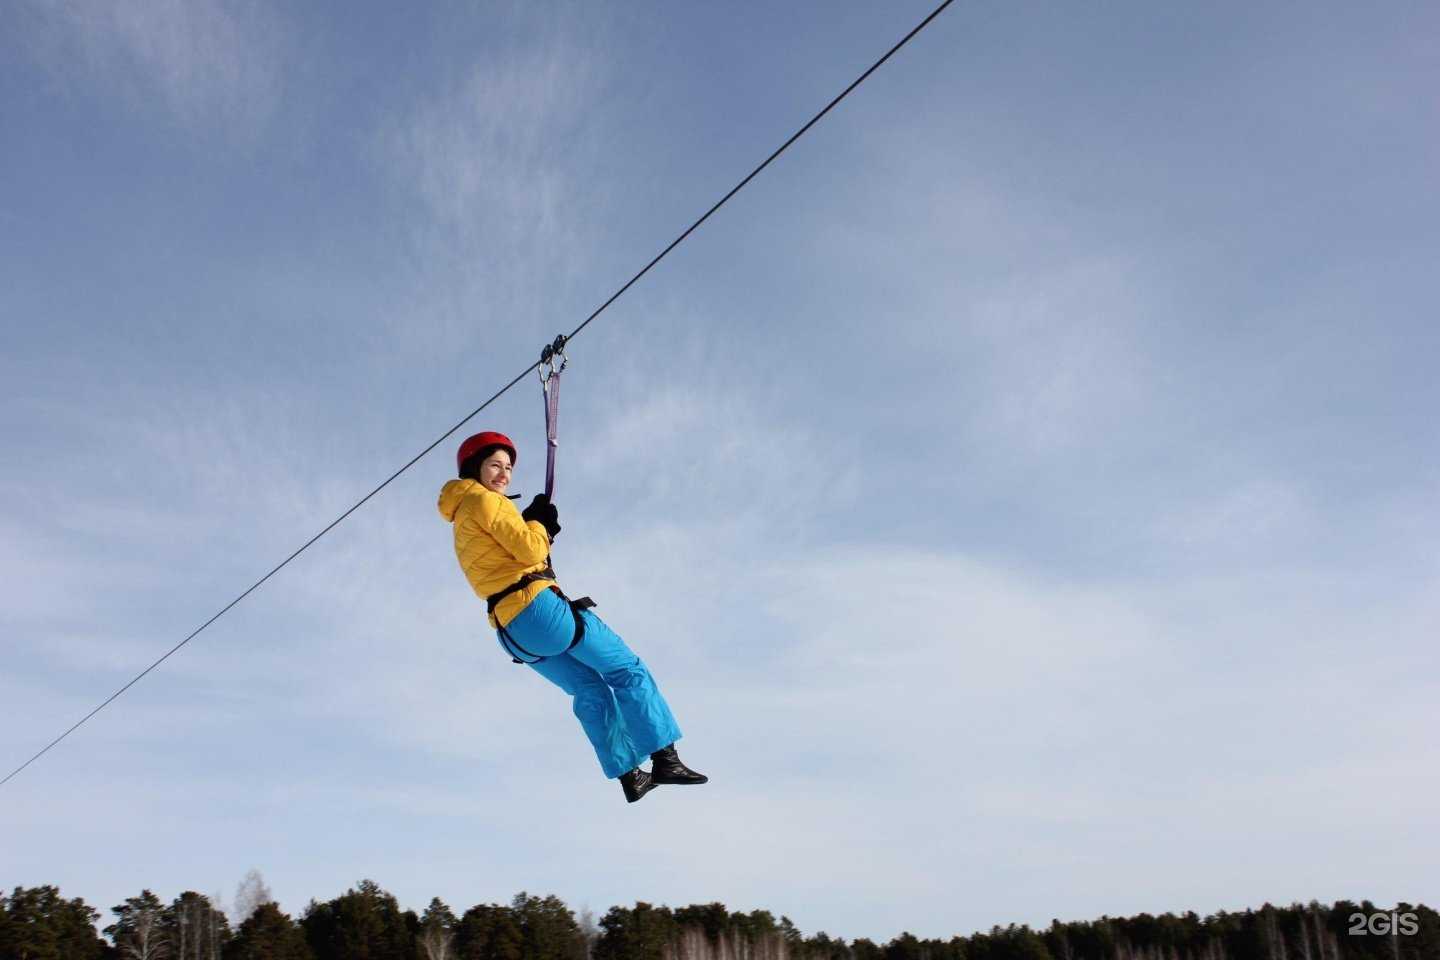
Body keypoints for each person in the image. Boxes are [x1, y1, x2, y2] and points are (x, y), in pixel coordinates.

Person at [437, 430, 707, 803]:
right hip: (539, 613)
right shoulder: (488, 502)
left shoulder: (463, 513)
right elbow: (531, 550)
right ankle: (665, 758)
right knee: (627, 669)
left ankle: (630, 776)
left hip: (511, 631)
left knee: (589, 688)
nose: (503, 474)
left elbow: (509, 556)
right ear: (475, 468)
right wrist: (540, 523)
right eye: (495, 465)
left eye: (509, 467)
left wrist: (535, 525)